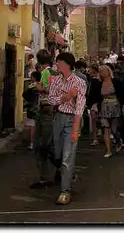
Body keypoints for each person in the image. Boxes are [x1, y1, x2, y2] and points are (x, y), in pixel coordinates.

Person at [48, 52, 86, 205]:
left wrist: (76, 130)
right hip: (58, 117)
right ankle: (67, 172)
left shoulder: (79, 82)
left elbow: (79, 108)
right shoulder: (56, 80)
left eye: (59, 63)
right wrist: (67, 97)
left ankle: (65, 191)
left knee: (67, 156)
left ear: (67, 65)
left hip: (72, 120)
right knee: (56, 153)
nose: (56, 65)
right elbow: (51, 100)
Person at [30, 49, 57, 190]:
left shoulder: (47, 72)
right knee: (45, 144)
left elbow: (50, 89)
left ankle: (51, 174)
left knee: (43, 145)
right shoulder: (52, 72)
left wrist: (39, 87)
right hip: (48, 109)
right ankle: (52, 173)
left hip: (46, 109)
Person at [90, 65, 124, 158]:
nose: (102, 72)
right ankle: (109, 150)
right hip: (103, 107)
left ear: (108, 71)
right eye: (101, 71)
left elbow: (123, 93)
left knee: (114, 130)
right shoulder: (99, 83)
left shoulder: (116, 81)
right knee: (106, 128)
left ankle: (119, 140)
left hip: (115, 106)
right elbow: (95, 95)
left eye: (104, 70)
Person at [22, 71, 41, 150]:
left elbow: (26, 96)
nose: (31, 78)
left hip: (33, 108)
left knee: (32, 127)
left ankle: (32, 143)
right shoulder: (41, 85)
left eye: (32, 77)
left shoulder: (32, 86)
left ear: (35, 77)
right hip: (39, 108)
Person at [86, 64, 101, 146]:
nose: (89, 71)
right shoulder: (98, 80)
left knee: (95, 121)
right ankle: (96, 138)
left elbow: (90, 92)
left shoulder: (94, 80)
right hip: (97, 103)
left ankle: (95, 139)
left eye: (90, 69)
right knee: (96, 120)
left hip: (94, 102)